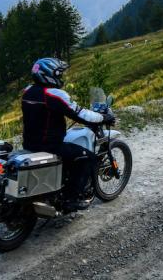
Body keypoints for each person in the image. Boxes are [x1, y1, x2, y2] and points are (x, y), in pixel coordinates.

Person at [22, 57, 115, 211]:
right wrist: (104, 118)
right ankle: (71, 199)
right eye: (59, 74)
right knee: (88, 158)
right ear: (49, 75)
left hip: (29, 143)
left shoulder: (28, 91)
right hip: (50, 146)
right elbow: (80, 114)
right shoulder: (54, 94)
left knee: (72, 155)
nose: (61, 77)